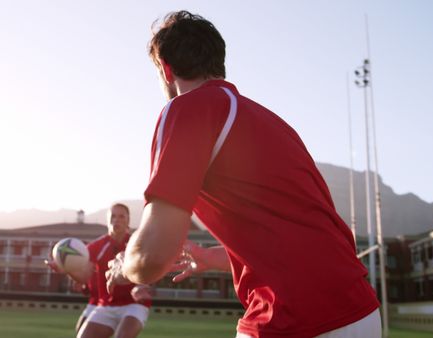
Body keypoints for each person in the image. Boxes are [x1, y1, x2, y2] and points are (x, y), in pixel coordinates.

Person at [107, 10, 381, 338]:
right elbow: (297, 240)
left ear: (166, 69)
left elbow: (152, 256)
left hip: (295, 317)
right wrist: (210, 257)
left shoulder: (189, 108)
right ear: (218, 62)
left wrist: (123, 267)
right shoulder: (274, 124)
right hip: (361, 312)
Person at [69, 203, 152, 338]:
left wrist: (142, 286)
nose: (116, 219)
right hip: (106, 304)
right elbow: (83, 277)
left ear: (128, 221)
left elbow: (149, 268)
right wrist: (67, 268)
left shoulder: (137, 244)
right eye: (113, 216)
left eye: (121, 216)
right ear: (107, 220)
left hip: (134, 304)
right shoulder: (96, 246)